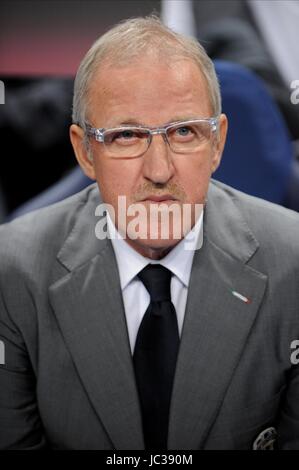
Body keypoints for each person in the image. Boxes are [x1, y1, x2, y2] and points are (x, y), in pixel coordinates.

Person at [0, 16, 299, 451]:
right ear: (85, 151)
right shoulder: (12, 270)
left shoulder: (293, 264)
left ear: (217, 144)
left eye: (183, 132)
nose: (159, 171)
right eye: (126, 136)